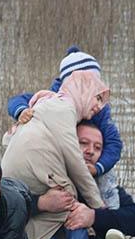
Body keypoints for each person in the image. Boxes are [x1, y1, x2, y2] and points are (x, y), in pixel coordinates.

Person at [1, 68, 109, 239]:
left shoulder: (47, 105)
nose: (98, 107)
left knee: (44, 227)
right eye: (96, 99)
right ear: (82, 90)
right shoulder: (63, 109)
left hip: (17, 179)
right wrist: (97, 207)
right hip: (32, 171)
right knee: (72, 204)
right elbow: (74, 160)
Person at [7, 46, 123, 178]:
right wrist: (22, 111)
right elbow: (16, 100)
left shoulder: (99, 110)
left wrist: (97, 168)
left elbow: (114, 143)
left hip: (89, 168)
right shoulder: (51, 99)